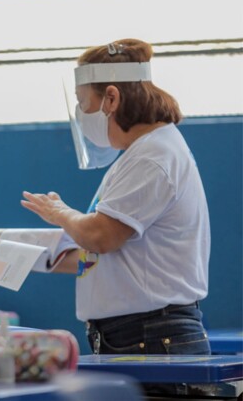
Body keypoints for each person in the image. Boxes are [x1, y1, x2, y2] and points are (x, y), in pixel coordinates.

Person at [21, 39, 211, 359]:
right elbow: (105, 255)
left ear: (111, 97)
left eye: (84, 102)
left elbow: (100, 236)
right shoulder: (142, 153)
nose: (82, 114)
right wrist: (15, 257)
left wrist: (59, 212)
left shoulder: (152, 157)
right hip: (135, 334)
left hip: (149, 336)